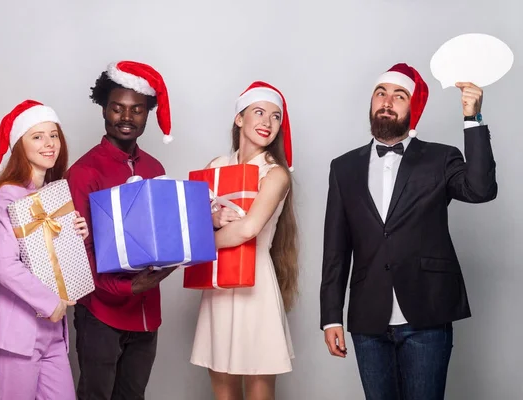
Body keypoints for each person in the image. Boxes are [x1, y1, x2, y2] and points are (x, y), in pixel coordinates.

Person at [320, 63, 497, 400]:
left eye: (399, 96)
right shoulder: (343, 167)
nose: (387, 101)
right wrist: (331, 317)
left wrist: (473, 119)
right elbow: (335, 249)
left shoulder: (439, 158)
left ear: (412, 108)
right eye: (380, 94)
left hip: (426, 313)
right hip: (367, 320)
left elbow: (481, 189)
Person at [66, 60, 176, 400]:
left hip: (146, 315)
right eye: (117, 108)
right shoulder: (83, 172)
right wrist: (126, 288)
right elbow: (77, 256)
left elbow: (161, 236)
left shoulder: (156, 168)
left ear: (148, 114)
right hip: (101, 312)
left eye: (137, 110)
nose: (126, 118)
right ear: (104, 109)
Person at [190, 81, 299, 400]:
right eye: (259, 112)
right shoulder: (214, 168)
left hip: (256, 288)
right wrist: (209, 219)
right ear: (239, 118)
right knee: (222, 387)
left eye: (275, 117)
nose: (267, 122)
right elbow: (193, 224)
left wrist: (202, 245)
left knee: (258, 389)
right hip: (218, 285)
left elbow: (249, 229)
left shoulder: (275, 174)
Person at [0, 100, 88, 399]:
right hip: (16, 330)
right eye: (37, 136)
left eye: (53, 135)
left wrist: (77, 235)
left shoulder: (52, 195)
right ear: (19, 146)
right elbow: (6, 265)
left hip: (52, 333)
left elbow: (50, 259)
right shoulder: (6, 195)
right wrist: (51, 304)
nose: (49, 143)